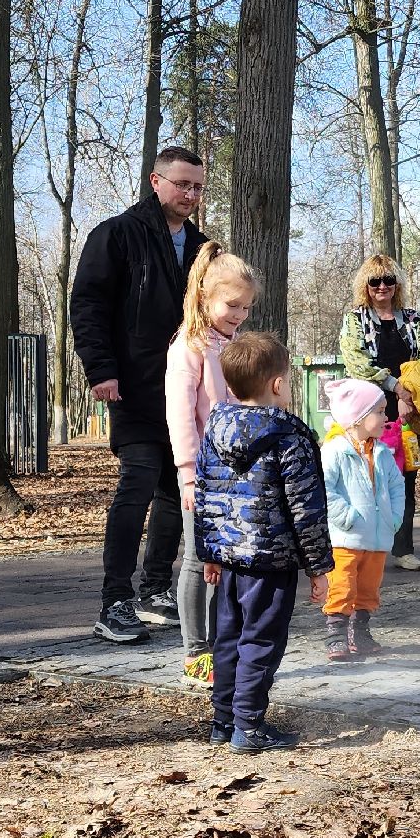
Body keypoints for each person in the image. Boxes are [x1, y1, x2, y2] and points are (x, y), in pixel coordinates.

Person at [71, 146, 211, 644]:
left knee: (177, 490)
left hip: (185, 389)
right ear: (156, 181)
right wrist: (101, 368)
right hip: (132, 385)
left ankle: (156, 589)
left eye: (197, 186)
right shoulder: (117, 234)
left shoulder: (201, 247)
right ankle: (115, 600)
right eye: (182, 184)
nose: (190, 194)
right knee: (138, 482)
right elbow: (88, 304)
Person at [193, 332, 333, 752]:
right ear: (276, 384)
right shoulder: (291, 438)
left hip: (229, 560)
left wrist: (209, 552)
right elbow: (306, 508)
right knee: (260, 640)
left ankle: (223, 720)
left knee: (228, 638)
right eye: (288, 379)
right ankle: (248, 726)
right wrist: (319, 567)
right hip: (271, 562)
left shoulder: (214, 430)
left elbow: (204, 495)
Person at [164, 242, 258, 684]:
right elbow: (180, 412)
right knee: (197, 559)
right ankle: (193, 650)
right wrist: (187, 474)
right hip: (201, 474)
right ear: (205, 296)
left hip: (234, 473)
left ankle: (224, 642)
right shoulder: (189, 345)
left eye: (246, 307)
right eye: (232, 304)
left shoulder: (233, 344)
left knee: (225, 557)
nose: (239, 314)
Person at [336, 254, 420, 571]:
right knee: (366, 478)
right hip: (369, 414)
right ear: (365, 285)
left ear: (397, 284)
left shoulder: (413, 320)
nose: (382, 287)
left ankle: (403, 548)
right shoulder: (356, 320)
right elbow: (358, 365)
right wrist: (396, 387)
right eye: (375, 281)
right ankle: (363, 547)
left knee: (405, 481)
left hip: (407, 415)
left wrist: (410, 396)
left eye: (388, 280)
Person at [317, 378, 404, 661]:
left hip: (377, 538)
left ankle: (361, 631)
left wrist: (395, 517)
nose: (386, 417)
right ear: (358, 417)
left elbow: (396, 486)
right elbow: (325, 488)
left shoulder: (381, 453)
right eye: (379, 411)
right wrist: (346, 516)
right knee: (342, 585)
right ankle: (336, 634)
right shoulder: (334, 451)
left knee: (368, 589)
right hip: (346, 537)